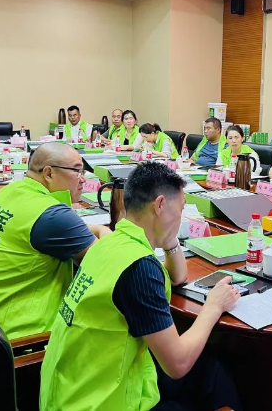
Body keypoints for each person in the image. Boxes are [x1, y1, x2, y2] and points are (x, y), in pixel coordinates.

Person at [40, 162, 241, 411]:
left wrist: (168, 236)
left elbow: (177, 277)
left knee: (210, 369)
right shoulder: (140, 268)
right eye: (181, 209)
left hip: (71, 390)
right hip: (102, 402)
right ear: (160, 205)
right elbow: (177, 365)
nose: (181, 217)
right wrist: (214, 306)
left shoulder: (111, 242)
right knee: (212, 377)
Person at [0, 142, 110, 339]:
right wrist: (106, 233)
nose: (83, 179)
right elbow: (109, 263)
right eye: (77, 171)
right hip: (11, 334)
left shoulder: (12, 191)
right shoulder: (52, 215)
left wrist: (100, 229)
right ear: (49, 173)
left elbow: (70, 228)